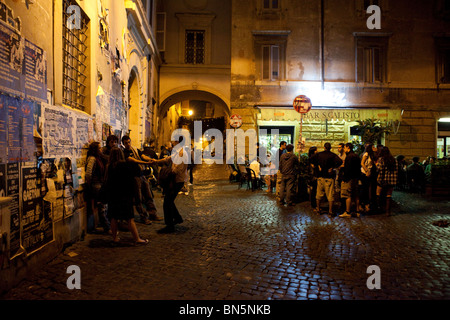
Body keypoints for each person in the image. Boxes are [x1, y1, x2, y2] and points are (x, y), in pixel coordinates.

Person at [105, 147, 148, 245]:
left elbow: (108, 181)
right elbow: (135, 175)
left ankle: (115, 238)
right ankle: (136, 238)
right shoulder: (126, 166)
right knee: (129, 218)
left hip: (113, 195)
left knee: (114, 217)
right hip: (125, 194)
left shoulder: (110, 166)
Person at [121, 135, 162, 224]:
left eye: (129, 142)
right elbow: (134, 160)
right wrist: (146, 162)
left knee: (148, 195)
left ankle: (153, 214)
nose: (128, 144)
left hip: (142, 175)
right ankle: (144, 217)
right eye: (126, 143)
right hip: (134, 177)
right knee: (138, 198)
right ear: (123, 144)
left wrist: (151, 159)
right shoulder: (124, 153)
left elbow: (142, 155)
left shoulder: (135, 150)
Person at [150, 138, 188, 233]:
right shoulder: (178, 151)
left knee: (167, 202)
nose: (172, 142)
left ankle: (170, 226)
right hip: (176, 180)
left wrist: (167, 173)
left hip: (177, 180)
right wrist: (156, 161)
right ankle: (177, 218)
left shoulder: (182, 153)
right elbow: (168, 158)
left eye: (174, 141)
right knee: (169, 201)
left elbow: (177, 170)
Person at [310, 143, 343, 216]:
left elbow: (311, 159)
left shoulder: (319, 154)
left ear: (324, 147)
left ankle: (318, 209)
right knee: (330, 195)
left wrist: (317, 165)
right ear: (330, 148)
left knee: (318, 194)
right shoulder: (333, 155)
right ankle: (330, 211)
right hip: (329, 177)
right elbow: (340, 162)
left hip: (320, 176)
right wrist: (333, 167)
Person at [85, 142, 110, 233]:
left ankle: (106, 226)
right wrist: (90, 185)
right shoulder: (92, 159)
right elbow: (88, 173)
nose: (101, 150)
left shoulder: (99, 158)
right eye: (99, 148)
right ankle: (106, 227)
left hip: (99, 184)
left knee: (102, 206)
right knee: (102, 206)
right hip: (96, 185)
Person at [339, 143, 361, 218]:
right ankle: (357, 211)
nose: (344, 149)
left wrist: (344, 179)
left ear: (348, 147)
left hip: (349, 178)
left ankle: (347, 212)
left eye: (344, 147)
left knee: (347, 195)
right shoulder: (356, 156)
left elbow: (347, 169)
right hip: (356, 178)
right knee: (356, 195)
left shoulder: (349, 157)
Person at [376, 147, 398, 216]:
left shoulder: (381, 159)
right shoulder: (394, 160)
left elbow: (380, 169)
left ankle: (379, 208)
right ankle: (388, 211)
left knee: (378, 194)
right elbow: (396, 170)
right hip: (392, 180)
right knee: (388, 196)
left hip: (383, 180)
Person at [360, 144, 378, 213]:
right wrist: (367, 171)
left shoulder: (372, 155)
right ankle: (364, 204)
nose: (375, 148)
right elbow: (362, 163)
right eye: (373, 147)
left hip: (369, 172)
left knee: (368, 189)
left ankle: (367, 205)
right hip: (364, 173)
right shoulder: (366, 154)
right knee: (365, 188)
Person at [335, 143, 346, 213]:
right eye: (338, 147)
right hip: (338, 175)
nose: (338, 149)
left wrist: (340, 166)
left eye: (339, 147)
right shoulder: (338, 156)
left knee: (343, 191)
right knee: (338, 190)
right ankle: (340, 205)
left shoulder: (345, 156)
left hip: (343, 175)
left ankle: (344, 206)